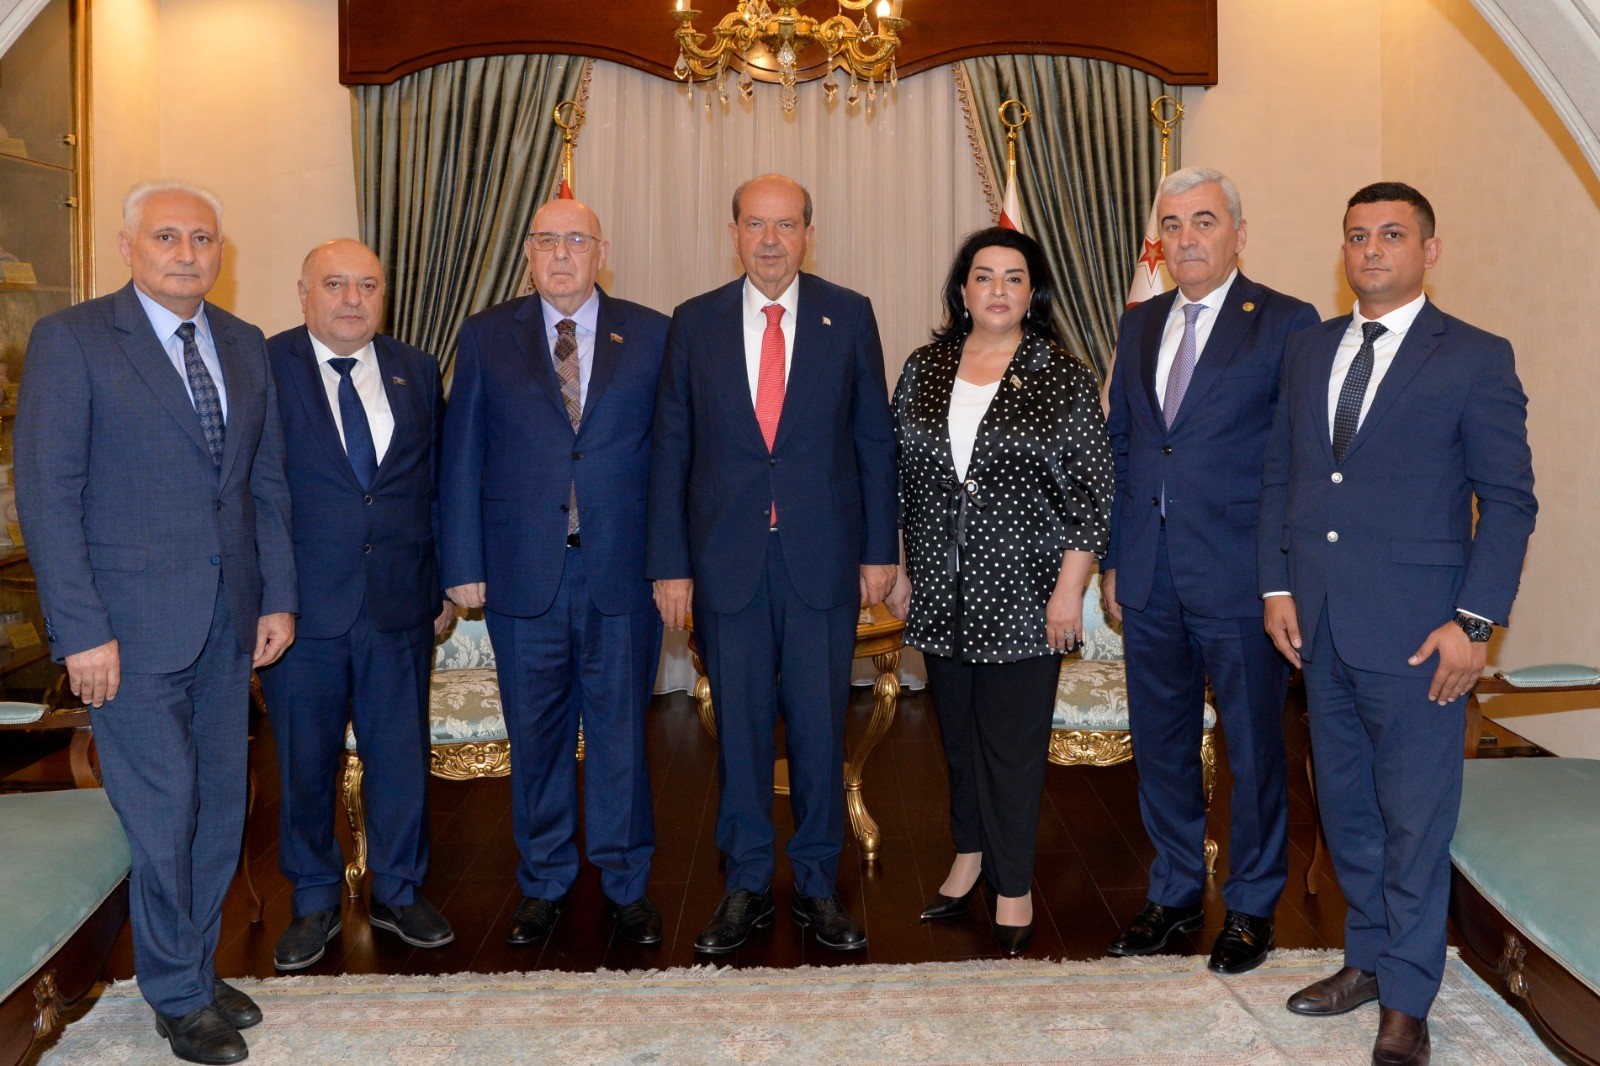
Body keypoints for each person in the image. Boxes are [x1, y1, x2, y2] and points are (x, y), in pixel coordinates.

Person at [15, 181, 296, 1065]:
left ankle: (194, 970)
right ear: (129, 246)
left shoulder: (243, 343)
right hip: (124, 635)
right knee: (165, 806)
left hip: (228, 621)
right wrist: (79, 632)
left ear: (221, 252)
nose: (186, 253)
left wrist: (276, 596)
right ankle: (175, 993)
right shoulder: (73, 340)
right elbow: (48, 498)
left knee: (218, 806)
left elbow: (263, 485)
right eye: (167, 236)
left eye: (202, 238)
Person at [1259, 182, 1536, 1066]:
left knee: (1416, 819)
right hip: (1320, 626)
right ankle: (1369, 961)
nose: (1371, 249)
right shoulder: (1309, 350)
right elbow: (1283, 476)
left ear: (1429, 250)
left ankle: (1408, 1000)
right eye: (1356, 235)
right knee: (1347, 810)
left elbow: (1509, 502)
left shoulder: (1476, 357)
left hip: (1423, 635)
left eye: (1390, 234)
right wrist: (1276, 586)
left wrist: (1474, 624)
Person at [647, 174, 898, 954]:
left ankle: (818, 884)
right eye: (755, 224)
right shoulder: (694, 321)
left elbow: (873, 439)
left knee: (820, 728)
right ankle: (748, 882)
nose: (769, 240)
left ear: (808, 235)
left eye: (785, 225)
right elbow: (672, 449)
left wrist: (879, 551)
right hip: (727, 561)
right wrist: (670, 565)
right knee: (742, 729)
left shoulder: (848, 314)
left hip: (822, 559)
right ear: (733, 233)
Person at [1101, 167, 1319, 973]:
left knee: (1254, 752)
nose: (1186, 238)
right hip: (1149, 574)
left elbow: (1297, 458)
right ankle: (1175, 893)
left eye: (1204, 221)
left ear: (1238, 233)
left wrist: (1280, 577)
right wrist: (1116, 559)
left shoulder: (1287, 322)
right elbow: (1126, 445)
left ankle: (1253, 906)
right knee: (1160, 745)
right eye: (1173, 224)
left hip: (1242, 578)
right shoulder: (1140, 322)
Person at [440, 198, 668, 947]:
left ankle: (626, 883)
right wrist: (462, 562)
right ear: (528, 254)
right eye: (546, 241)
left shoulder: (653, 334)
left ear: (602, 252)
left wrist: (673, 565)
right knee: (535, 738)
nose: (561, 254)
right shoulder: (486, 335)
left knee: (620, 736)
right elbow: (461, 454)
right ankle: (543, 881)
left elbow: (674, 461)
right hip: (519, 574)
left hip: (623, 574)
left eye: (576, 240)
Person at [886, 226, 1112, 955]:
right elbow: (900, 478)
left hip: (1027, 593)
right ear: (962, 289)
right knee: (958, 740)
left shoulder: (1061, 374)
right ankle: (969, 856)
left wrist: (1069, 592)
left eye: (1014, 278)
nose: (998, 290)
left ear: (1032, 292)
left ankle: (1013, 883)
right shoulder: (925, 367)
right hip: (941, 589)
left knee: (1012, 749)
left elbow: (1092, 494)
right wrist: (902, 567)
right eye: (983, 276)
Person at [260, 239, 455, 971]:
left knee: (400, 755)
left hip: (401, 601)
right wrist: (267, 596)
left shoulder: (416, 368)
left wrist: (441, 581)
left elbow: (436, 484)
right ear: (304, 292)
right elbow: (250, 492)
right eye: (335, 284)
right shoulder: (264, 365)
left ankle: (399, 891)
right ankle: (313, 899)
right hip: (299, 610)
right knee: (304, 763)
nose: (352, 299)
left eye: (368, 285)